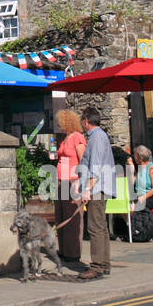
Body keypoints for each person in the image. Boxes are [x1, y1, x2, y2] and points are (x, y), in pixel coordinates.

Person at [76, 106, 115, 280]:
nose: (82, 125)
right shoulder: (97, 136)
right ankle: (104, 264)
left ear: (86, 121)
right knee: (101, 227)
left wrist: (87, 189)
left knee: (95, 228)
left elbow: (96, 167)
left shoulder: (97, 137)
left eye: (82, 122)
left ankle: (97, 266)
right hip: (98, 187)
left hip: (97, 189)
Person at [53, 110, 86, 262]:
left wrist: (81, 181)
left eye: (61, 122)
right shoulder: (65, 138)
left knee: (72, 217)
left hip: (73, 180)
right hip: (62, 180)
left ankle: (73, 252)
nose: (59, 124)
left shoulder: (77, 137)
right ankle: (64, 249)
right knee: (61, 214)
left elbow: (83, 160)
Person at [132, 145, 153, 213]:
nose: (134, 157)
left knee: (132, 206)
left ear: (140, 158)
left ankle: (133, 223)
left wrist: (143, 197)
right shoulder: (140, 168)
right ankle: (130, 223)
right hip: (139, 196)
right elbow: (131, 183)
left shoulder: (152, 169)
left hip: (150, 197)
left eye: (135, 156)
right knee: (126, 204)